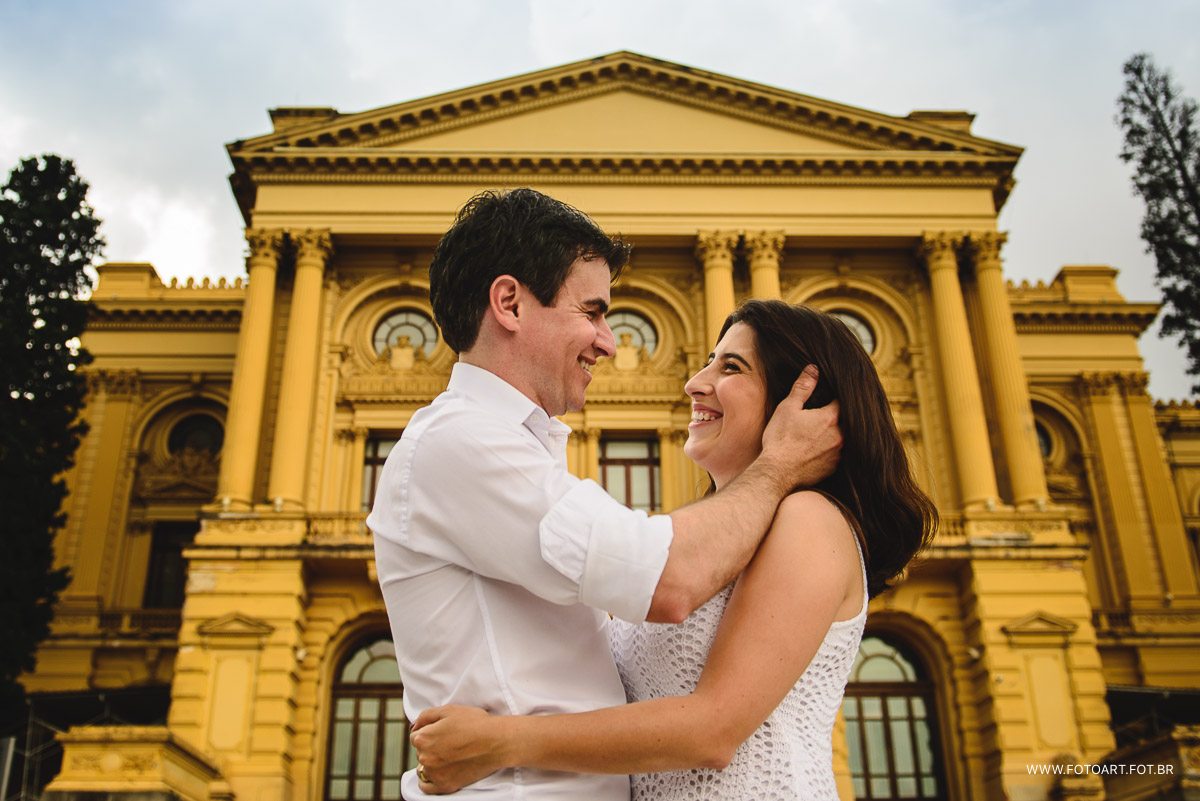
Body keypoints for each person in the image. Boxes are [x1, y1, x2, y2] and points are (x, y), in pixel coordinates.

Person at [367, 189, 842, 800]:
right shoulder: (462, 442)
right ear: (509, 302)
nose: (610, 341)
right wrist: (778, 466)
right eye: (591, 311)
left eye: (730, 368)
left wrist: (508, 739)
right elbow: (670, 579)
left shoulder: (514, 447)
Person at [407, 300, 938, 799]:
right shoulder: (704, 538)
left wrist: (501, 742)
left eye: (731, 368)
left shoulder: (810, 521)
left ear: (800, 405)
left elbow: (714, 729)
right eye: (710, 362)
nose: (695, 383)